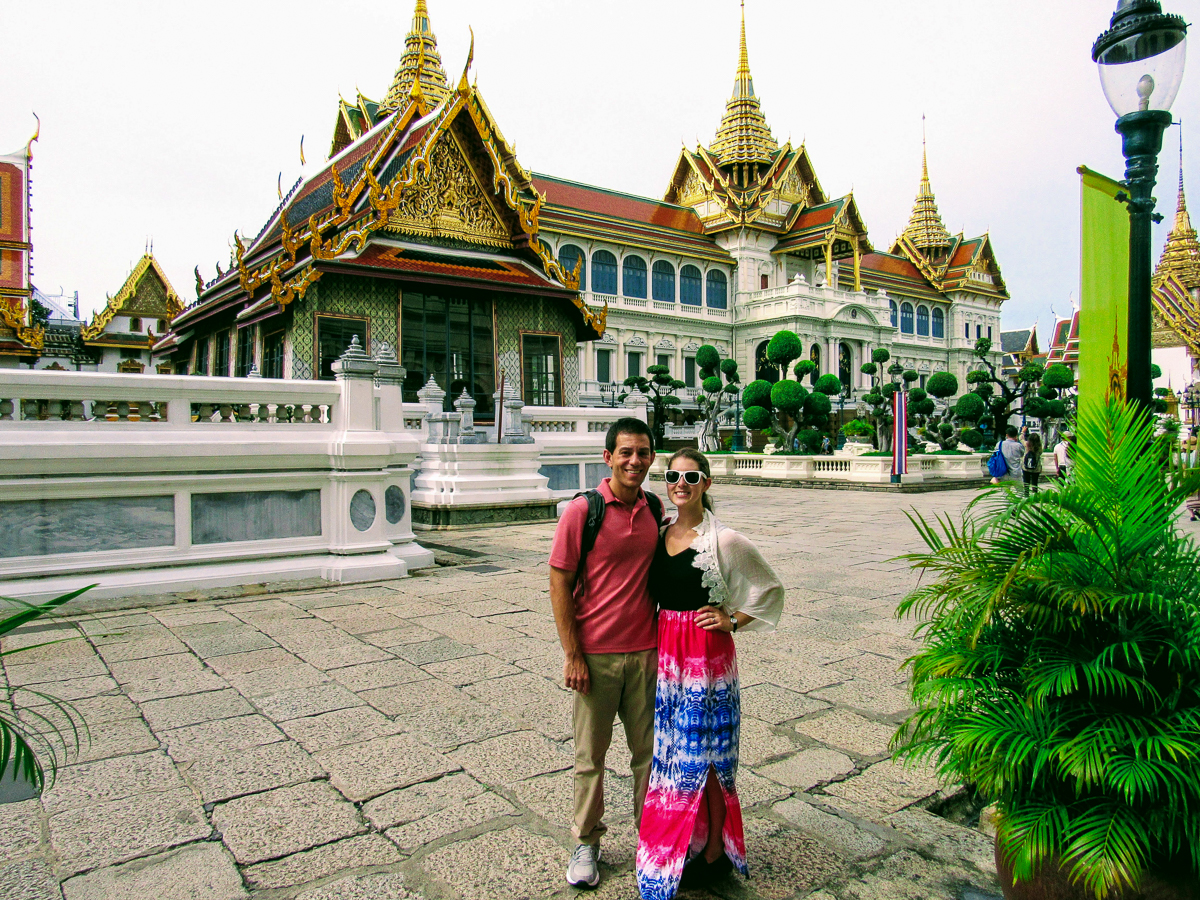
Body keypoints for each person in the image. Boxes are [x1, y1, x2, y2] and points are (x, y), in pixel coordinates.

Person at [635, 448, 784, 900]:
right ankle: (687, 843)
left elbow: (769, 588)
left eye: (691, 476)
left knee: (711, 758)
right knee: (675, 753)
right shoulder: (659, 533)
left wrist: (733, 620)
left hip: (708, 660)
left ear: (707, 483)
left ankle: (716, 849)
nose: (680, 483)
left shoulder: (724, 540)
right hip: (669, 658)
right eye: (673, 476)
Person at [550, 417, 660, 889]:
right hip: (596, 655)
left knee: (649, 755)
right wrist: (572, 654)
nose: (634, 461)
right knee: (590, 756)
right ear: (608, 457)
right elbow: (559, 580)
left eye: (642, 453)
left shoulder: (656, 508)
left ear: (652, 457)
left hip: (647, 652)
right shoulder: (583, 511)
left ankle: (651, 841)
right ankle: (586, 841)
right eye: (625, 453)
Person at [1022, 431, 1043, 496]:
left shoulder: (1026, 445)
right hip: (1036, 467)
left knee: (1026, 482)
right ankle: (1034, 495)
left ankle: (1026, 494)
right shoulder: (1039, 447)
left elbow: (1021, 439)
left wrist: (1023, 432)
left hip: (1026, 467)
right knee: (1035, 482)